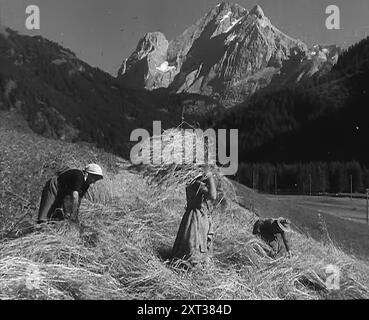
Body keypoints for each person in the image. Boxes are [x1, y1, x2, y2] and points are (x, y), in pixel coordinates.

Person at [172, 170, 217, 267]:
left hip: (191, 215)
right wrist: (210, 176)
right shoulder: (197, 184)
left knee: (188, 244)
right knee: (195, 245)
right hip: (197, 219)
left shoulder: (191, 181)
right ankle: (192, 267)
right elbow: (213, 196)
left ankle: (184, 264)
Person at [37, 164, 103, 224]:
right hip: (55, 185)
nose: (94, 181)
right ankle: (40, 228)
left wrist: (75, 216)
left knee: (56, 215)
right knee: (45, 215)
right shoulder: (78, 176)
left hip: (64, 191)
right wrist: (73, 214)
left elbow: (78, 199)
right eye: (94, 178)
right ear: (88, 174)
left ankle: (53, 227)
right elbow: (74, 196)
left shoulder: (86, 184)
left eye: (96, 180)